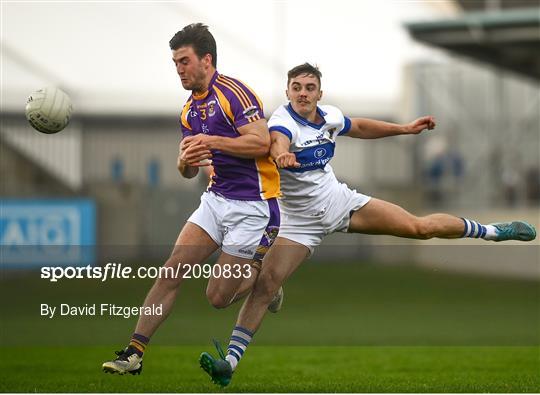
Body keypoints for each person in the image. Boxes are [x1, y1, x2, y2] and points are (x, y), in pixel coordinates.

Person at [199, 63, 537, 387]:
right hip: (297, 225)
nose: (303, 94)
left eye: (310, 88)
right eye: (296, 88)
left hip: (341, 203)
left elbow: (358, 126)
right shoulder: (281, 123)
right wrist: (283, 154)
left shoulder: (329, 115)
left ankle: (494, 232)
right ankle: (229, 363)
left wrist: (404, 128)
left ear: (319, 93)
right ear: (287, 91)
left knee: (418, 227)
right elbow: (279, 143)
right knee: (264, 288)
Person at [102, 23, 282, 375]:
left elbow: (261, 143)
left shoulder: (235, 93)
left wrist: (212, 142)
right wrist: (184, 162)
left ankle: (266, 283)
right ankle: (134, 354)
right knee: (171, 270)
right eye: (175, 63)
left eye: (184, 61)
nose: (179, 69)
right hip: (216, 200)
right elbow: (190, 169)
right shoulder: (189, 110)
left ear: (206, 60)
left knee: (217, 298)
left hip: (255, 207)